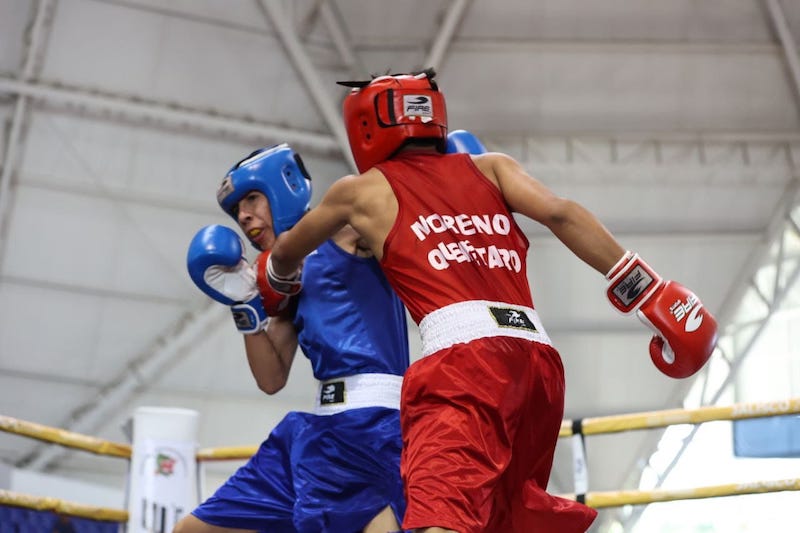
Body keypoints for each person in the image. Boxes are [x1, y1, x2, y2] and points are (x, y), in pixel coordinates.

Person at [264, 70, 720, 533]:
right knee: (498, 523)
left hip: (463, 366)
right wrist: (650, 290)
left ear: (365, 125)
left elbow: (284, 253)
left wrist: (276, 280)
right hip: (537, 368)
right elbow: (561, 213)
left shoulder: (360, 192)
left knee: (435, 521)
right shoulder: (493, 168)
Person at [177, 143, 410, 533]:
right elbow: (271, 379)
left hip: (377, 427)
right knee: (193, 530)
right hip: (317, 432)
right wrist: (246, 305)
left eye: (252, 198)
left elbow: (400, 210)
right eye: (237, 210)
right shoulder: (276, 282)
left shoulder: (347, 232)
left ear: (283, 187)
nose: (245, 215)